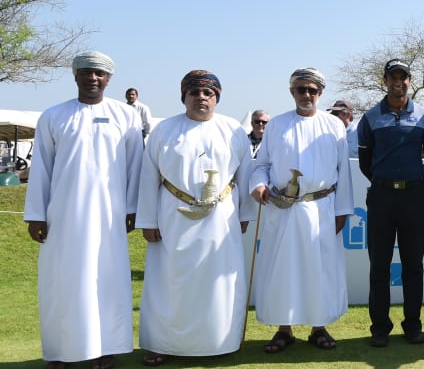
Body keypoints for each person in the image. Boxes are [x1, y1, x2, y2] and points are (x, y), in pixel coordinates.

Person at [24, 51, 143, 369]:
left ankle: (105, 349)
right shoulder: (54, 115)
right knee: (62, 282)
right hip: (62, 216)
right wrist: (36, 213)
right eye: (87, 72)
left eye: (100, 74)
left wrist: (132, 208)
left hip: (109, 216)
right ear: (75, 76)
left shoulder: (126, 116)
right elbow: (41, 169)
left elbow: (136, 167)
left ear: (109, 79)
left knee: (106, 280)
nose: (93, 78)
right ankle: (60, 352)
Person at [136, 70, 254, 366]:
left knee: (218, 282)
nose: (201, 98)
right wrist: (148, 220)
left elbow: (245, 175)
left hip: (221, 218)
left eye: (208, 93)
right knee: (170, 282)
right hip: (173, 217)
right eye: (195, 92)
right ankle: (163, 343)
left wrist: (245, 214)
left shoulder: (233, 131)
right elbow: (149, 176)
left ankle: (221, 341)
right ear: (184, 96)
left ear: (216, 97)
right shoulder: (164, 130)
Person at [249, 68, 354, 353]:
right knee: (283, 270)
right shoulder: (276, 125)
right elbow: (262, 165)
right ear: (291, 91)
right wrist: (258, 185)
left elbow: (343, 171)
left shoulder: (334, 126)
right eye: (300, 89)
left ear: (321, 93)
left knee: (318, 270)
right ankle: (284, 330)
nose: (306, 95)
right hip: (282, 208)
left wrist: (342, 210)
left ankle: (318, 327)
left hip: (321, 208)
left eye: (312, 90)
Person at [357, 59, 424, 347]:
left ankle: (412, 325)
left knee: (413, 265)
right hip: (381, 197)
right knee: (379, 264)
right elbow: (366, 160)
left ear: (410, 81)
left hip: (414, 197)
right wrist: (384, 179)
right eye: (393, 77)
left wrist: (415, 178)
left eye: (403, 77)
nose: (398, 82)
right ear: (386, 81)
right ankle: (380, 327)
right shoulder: (371, 117)